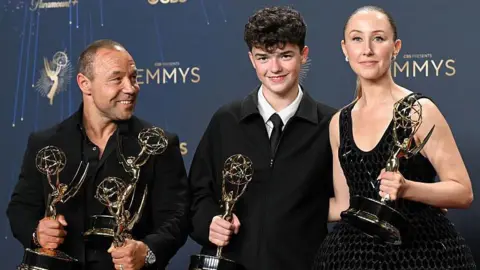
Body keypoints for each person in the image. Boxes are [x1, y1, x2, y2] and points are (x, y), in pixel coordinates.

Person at [312, 6, 476, 270]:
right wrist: (276, 208)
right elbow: (344, 204)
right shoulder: (338, 123)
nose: (367, 49)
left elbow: (463, 192)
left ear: (396, 47)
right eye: (357, 39)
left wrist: (409, 188)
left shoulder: (418, 111)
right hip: (353, 258)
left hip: (422, 255)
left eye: (378, 38)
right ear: (345, 49)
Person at [7, 39, 190, 270]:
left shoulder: (159, 145)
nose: (131, 88)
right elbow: (21, 208)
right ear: (85, 84)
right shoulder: (45, 144)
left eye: (133, 77)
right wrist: (37, 232)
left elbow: (177, 217)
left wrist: (147, 250)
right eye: (117, 79)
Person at [189, 6, 336, 270]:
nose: (275, 68)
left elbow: (347, 204)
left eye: (285, 55)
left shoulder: (331, 124)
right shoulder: (226, 120)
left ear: (303, 55)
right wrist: (209, 223)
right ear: (251, 60)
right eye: (264, 57)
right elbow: (198, 194)